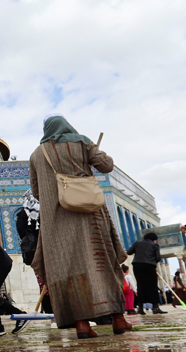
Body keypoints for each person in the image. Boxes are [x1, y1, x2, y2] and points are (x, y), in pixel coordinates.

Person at [29, 115, 131, 339]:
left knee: (68, 270)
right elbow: (107, 166)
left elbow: (37, 192)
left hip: (56, 224)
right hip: (89, 215)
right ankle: (118, 319)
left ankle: (82, 325)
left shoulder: (36, 154)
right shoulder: (82, 142)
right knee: (103, 263)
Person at [127, 233, 166, 315]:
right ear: (154, 239)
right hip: (149, 266)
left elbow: (129, 252)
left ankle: (140, 308)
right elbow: (158, 258)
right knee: (152, 286)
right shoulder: (155, 245)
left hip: (137, 266)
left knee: (140, 285)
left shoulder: (137, 243)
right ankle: (155, 307)